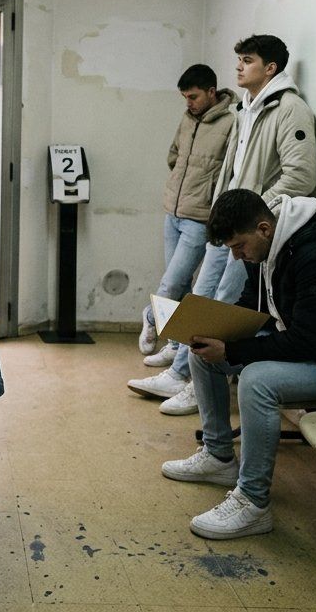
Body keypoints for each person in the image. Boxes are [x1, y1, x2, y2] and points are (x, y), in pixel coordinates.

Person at [161, 188, 316, 539]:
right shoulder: (265, 249)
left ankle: (253, 502)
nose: (237, 256)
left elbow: (309, 341)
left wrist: (232, 350)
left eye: (239, 246)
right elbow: (252, 305)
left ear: (264, 228)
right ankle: (218, 457)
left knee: (257, 381)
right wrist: (211, 328)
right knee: (203, 354)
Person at [128, 34, 316, 415]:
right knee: (202, 300)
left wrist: (253, 213)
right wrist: (222, 211)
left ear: (270, 68)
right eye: (239, 60)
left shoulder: (289, 109)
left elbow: (300, 176)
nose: (239, 67)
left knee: (223, 306)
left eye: (248, 60)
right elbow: (231, 171)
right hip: (229, 222)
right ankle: (180, 372)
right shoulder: (247, 107)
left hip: (251, 230)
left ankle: (192, 384)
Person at [127, 64, 234, 416]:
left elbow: (227, 171)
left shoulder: (230, 122)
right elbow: (174, 155)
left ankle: (150, 315)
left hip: (199, 218)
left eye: (193, 96)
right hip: (172, 212)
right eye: (185, 97)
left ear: (212, 92)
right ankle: (174, 344)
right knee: (181, 284)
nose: (188, 103)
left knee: (171, 284)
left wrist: (203, 194)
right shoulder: (188, 118)